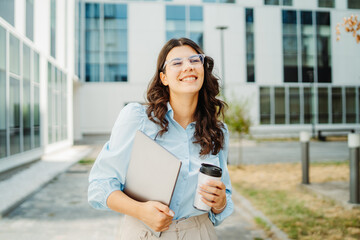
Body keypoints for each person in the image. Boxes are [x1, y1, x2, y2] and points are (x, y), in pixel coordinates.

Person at [88, 38, 234, 239]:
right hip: (145, 232)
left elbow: (225, 198)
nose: (188, 67)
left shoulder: (217, 131)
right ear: (164, 77)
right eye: (177, 63)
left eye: (194, 60)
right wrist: (140, 211)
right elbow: (100, 185)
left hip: (200, 232)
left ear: (203, 70)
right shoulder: (138, 119)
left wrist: (220, 203)